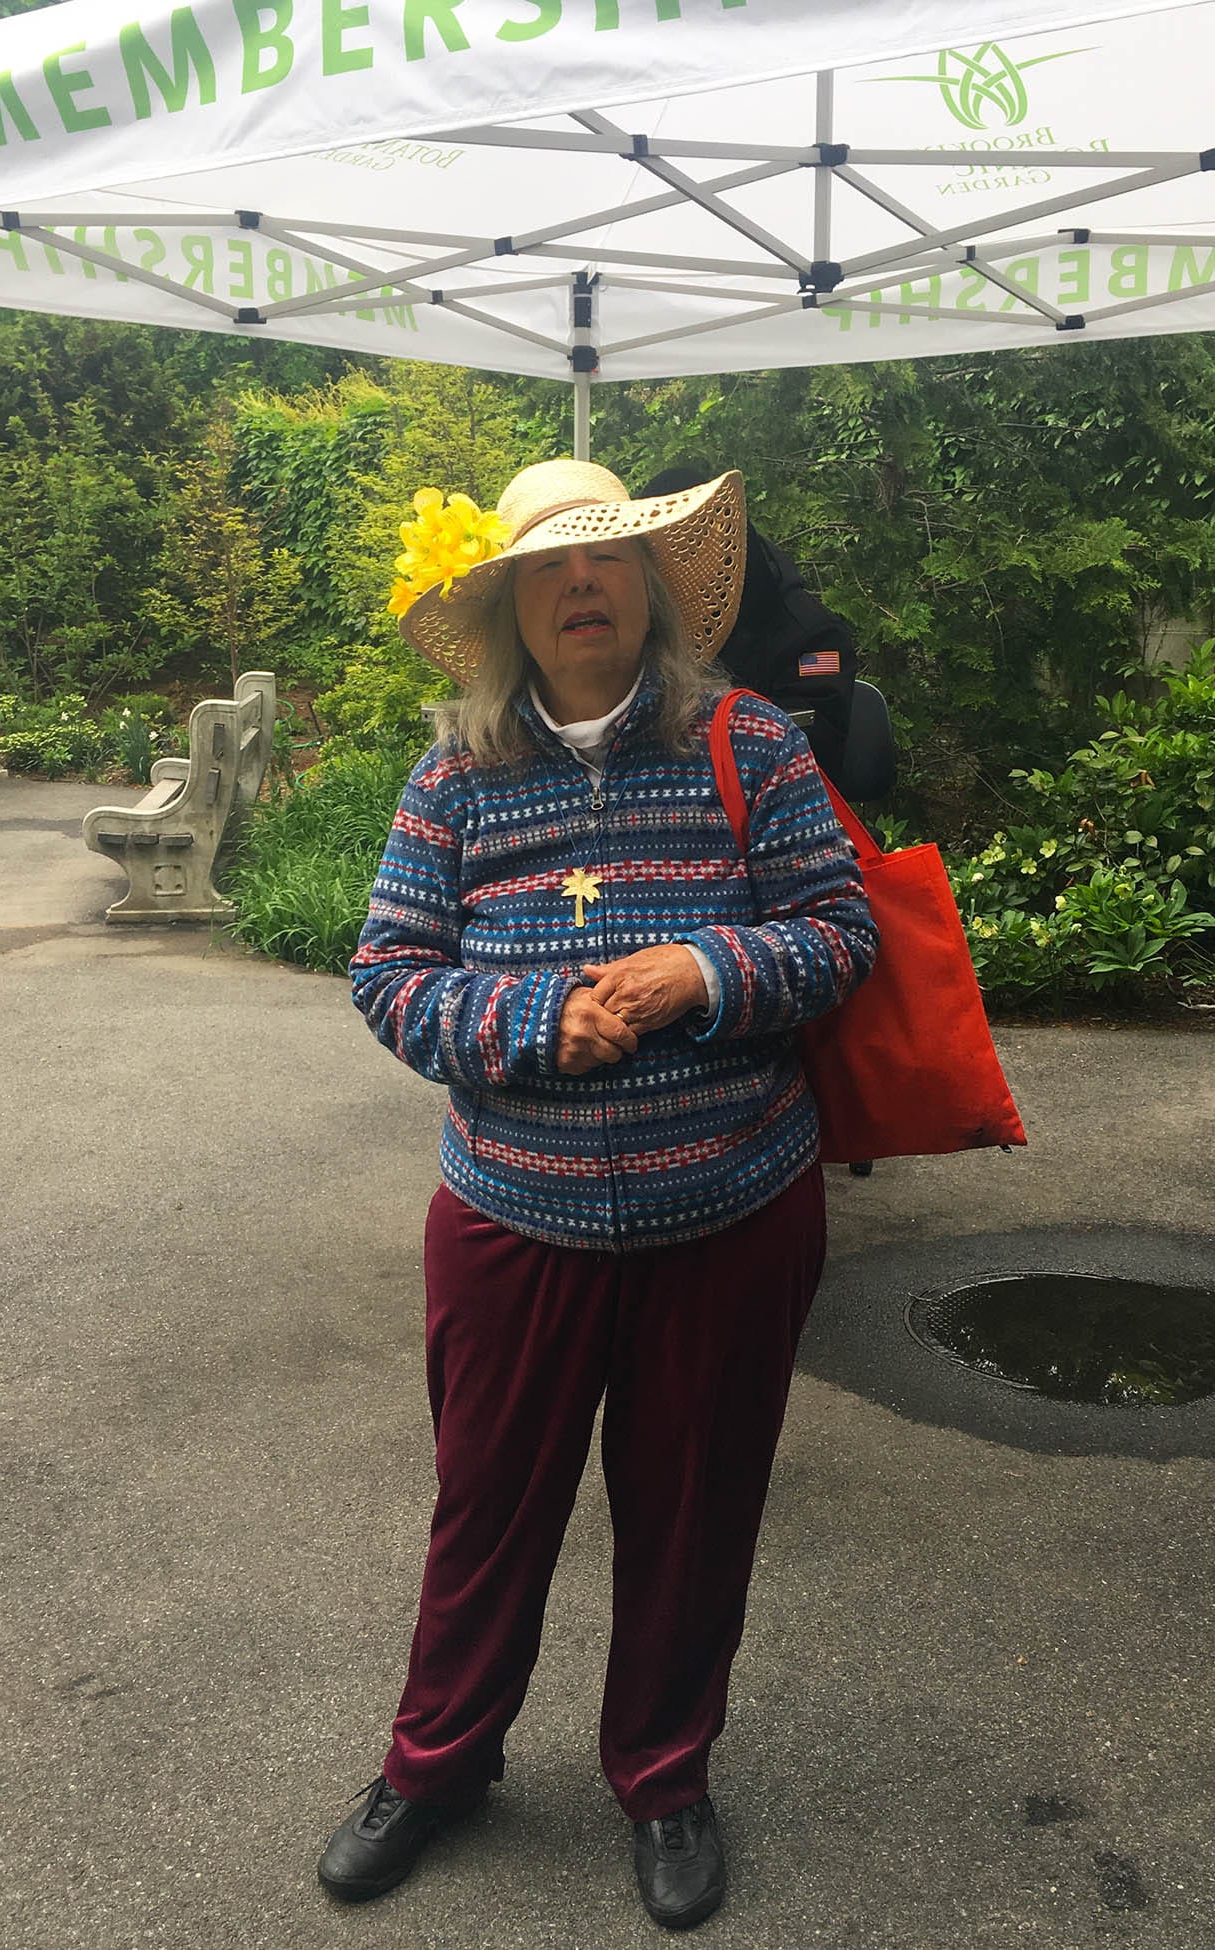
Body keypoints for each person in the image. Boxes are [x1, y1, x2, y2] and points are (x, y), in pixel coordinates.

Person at [323, 458, 878, 1931]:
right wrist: (521, 1023)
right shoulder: (453, 778)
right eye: (552, 567)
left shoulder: (747, 745)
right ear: (510, 601)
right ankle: (437, 1763)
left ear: (647, 586)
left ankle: (665, 1773)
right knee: (487, 1507)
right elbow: (387, 973)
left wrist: (708, 967)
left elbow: (840, 933)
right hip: (514, 1213)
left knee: (696, 1506)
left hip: (733, 1208)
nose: (582, 585)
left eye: (609, 560)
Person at [640, 463, 858, 781]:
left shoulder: (809, 635)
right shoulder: (644, 621)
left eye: (688, 549)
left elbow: (811, 751)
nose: (676, 570)